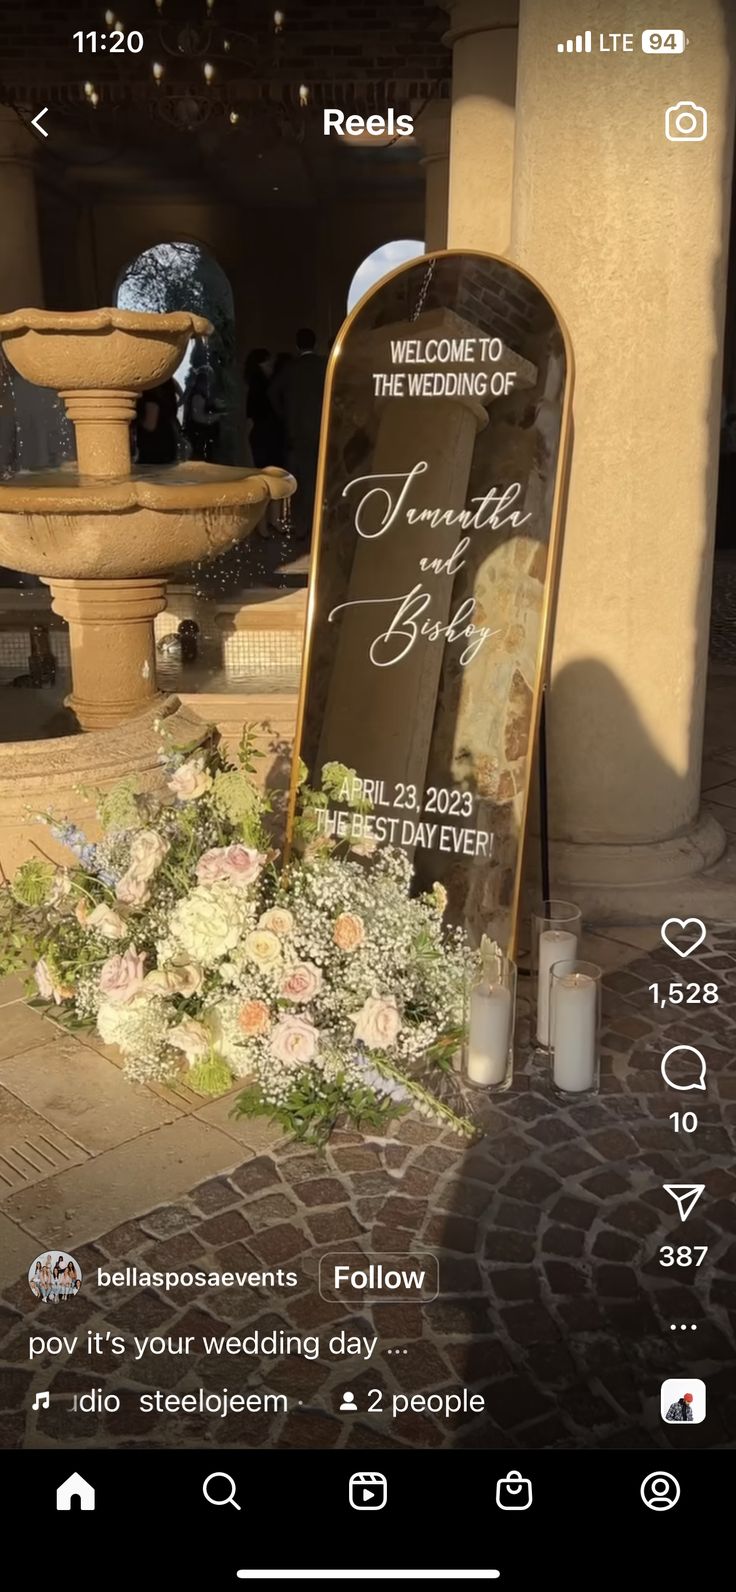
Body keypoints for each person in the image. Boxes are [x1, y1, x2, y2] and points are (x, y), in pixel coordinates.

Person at [269, 328, 327, 542]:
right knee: (321, 480)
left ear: (296, 345)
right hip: (323, 431)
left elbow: (272, 392)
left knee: (299, 482)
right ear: (316, 343)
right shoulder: (325, 366)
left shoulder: (290, 369)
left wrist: (285, 415)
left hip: (296, 434)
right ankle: (320, 527)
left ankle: (302, 527)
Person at [135, 379, 181, 466]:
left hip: (153, 449)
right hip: (168, 444)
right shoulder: (168, 397)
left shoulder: (150, 398)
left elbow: (150, 425)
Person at [183, 365, 222, 461]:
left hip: (199, 437)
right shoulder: (198, 396)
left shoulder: (198, 395)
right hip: (199, 438)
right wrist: (217, 417)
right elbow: (199, 417)